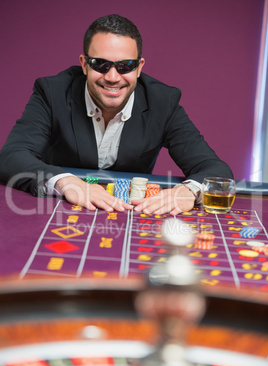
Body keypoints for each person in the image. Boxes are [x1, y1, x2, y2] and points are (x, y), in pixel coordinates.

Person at [0, 14, 233, 216]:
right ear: (84, 64)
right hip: (58, 211)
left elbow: (216, 169)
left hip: (131, 212)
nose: (112, 77)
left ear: (139, 67)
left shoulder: (162, 102)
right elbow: (11, 156)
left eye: (125, 66)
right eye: (100, 64)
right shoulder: (53, 93)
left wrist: (188, 191)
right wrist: (65, 181)